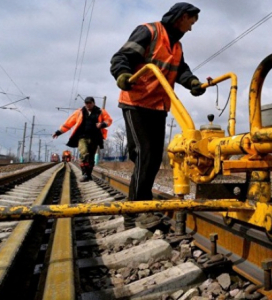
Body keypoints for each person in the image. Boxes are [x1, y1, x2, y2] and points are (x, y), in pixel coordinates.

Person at [110, 3, 206, 228]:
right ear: (181, 17)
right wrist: (123, 74)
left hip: (158, 106)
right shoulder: (149, 32)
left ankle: (140, 204)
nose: (191, 29)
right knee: (144, 152)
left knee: (151, 158)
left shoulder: (177, 46)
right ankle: (136, 210)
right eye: (190, 22)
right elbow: (121, 57)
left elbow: (181, 69)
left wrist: (192, 82)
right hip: (136, 102)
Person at [53, 97, 113, 182]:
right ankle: (84, 173)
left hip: (95, 137)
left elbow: (109, 120)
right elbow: (68, 123)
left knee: (91, 157)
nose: (88, 105)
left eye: (90, 103)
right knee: (84, 153)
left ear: (93, 103)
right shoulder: (79, 112)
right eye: (86, 103)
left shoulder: (101, 111)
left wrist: (102, 124)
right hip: (82, 137)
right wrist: (58, 132)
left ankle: (88, 174)